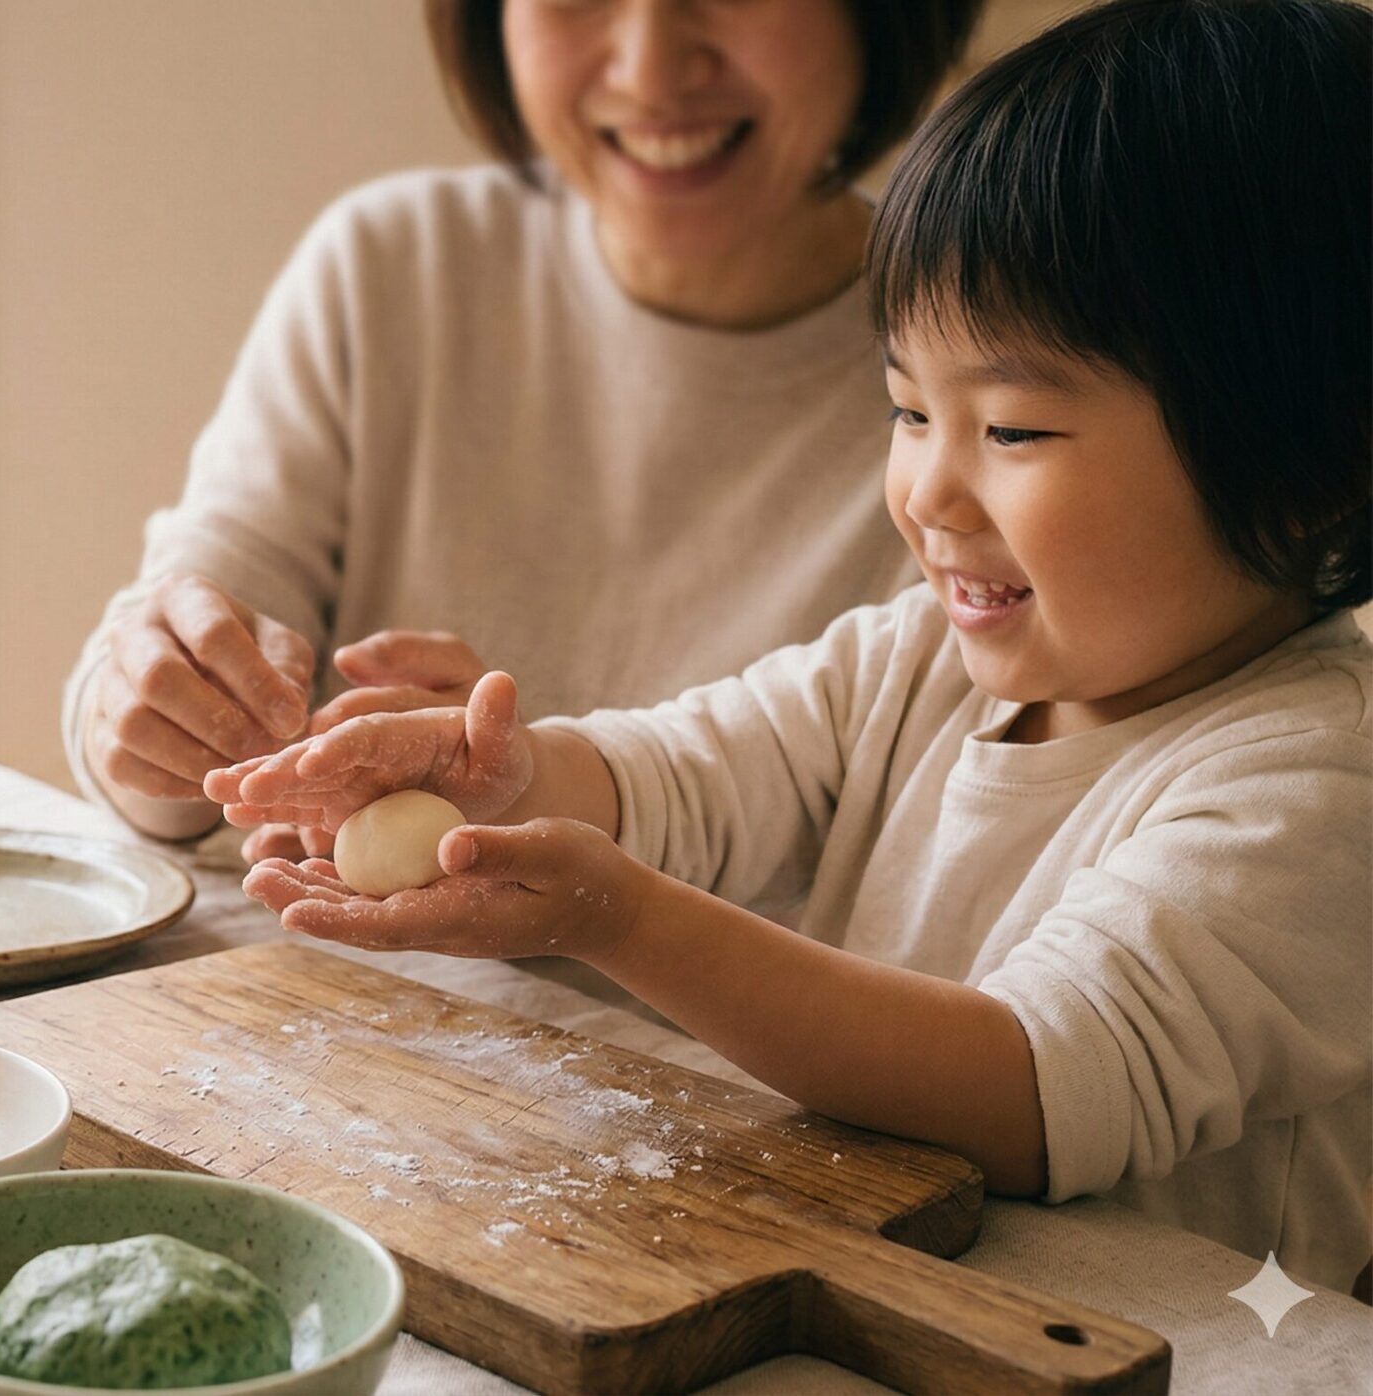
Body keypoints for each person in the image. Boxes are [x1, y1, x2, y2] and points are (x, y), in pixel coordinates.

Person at [215, 0, 1372, 1296]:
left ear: (1308, 472)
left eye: (1013, 430)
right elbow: (692, 772)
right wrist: (511, 779)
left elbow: (1029, 1089)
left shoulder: (1318, 788)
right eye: (908, 409)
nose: (927, 493)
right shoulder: (920, 659)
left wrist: (618, 917)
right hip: (900, 1302)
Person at [67, 0, 983, 864]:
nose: (650, 70)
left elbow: (942, 892)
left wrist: (531, 790)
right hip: (302, 968)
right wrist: (165, 720)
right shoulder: (395, 265)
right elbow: (184, 648)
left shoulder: (1002, 393)